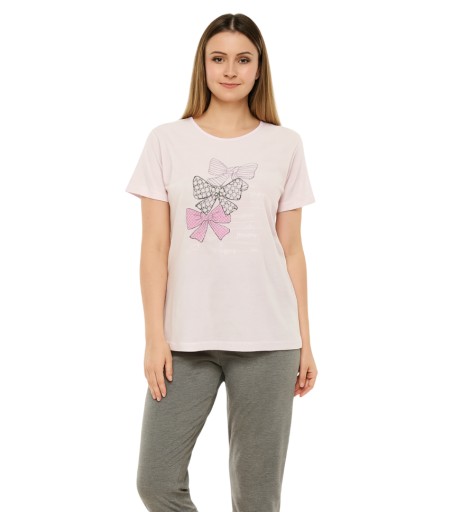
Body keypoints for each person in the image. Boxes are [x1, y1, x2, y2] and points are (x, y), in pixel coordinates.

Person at [125, 12, 318, 512]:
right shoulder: (166, 141)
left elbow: (292, 250)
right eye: (218, 58)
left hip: (270, 340)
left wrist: (306, 341)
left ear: (259, 68)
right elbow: (154, 248)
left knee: (257, 499)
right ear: (203, 65)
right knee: (156, 482)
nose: (230, 70)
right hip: (184, 341)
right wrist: (154, 338)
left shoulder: (285, 144)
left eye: (243, 59)